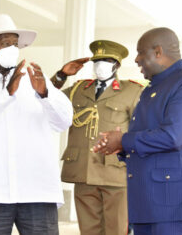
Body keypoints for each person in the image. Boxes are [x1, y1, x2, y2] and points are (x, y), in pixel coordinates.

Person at [0, 14, 73, 235]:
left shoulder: (38, 80)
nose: (12, 48)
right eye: (4, 43)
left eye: (14, 43)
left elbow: (64, 120)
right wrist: (6, 93)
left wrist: (45, 94)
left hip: (37, 190)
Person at [92, 27, 182, 235]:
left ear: (158, 52)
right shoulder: (153, 87)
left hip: (177, 207)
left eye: (141, 52)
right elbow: (148, 138)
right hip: (149, 204)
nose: (137, 59)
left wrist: (123, 140)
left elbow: (173, 136)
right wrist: (119, 146)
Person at [51, 40, 144, 235]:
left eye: (106, 60)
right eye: (97, 60)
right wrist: (61, 75)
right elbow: (47, 99)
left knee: (116, 230)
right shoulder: (78, 89)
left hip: (115, 174)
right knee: (89, 231)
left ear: (117, 65)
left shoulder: (132, 91)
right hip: (83, 171)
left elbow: (141, 131)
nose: (100, 65)